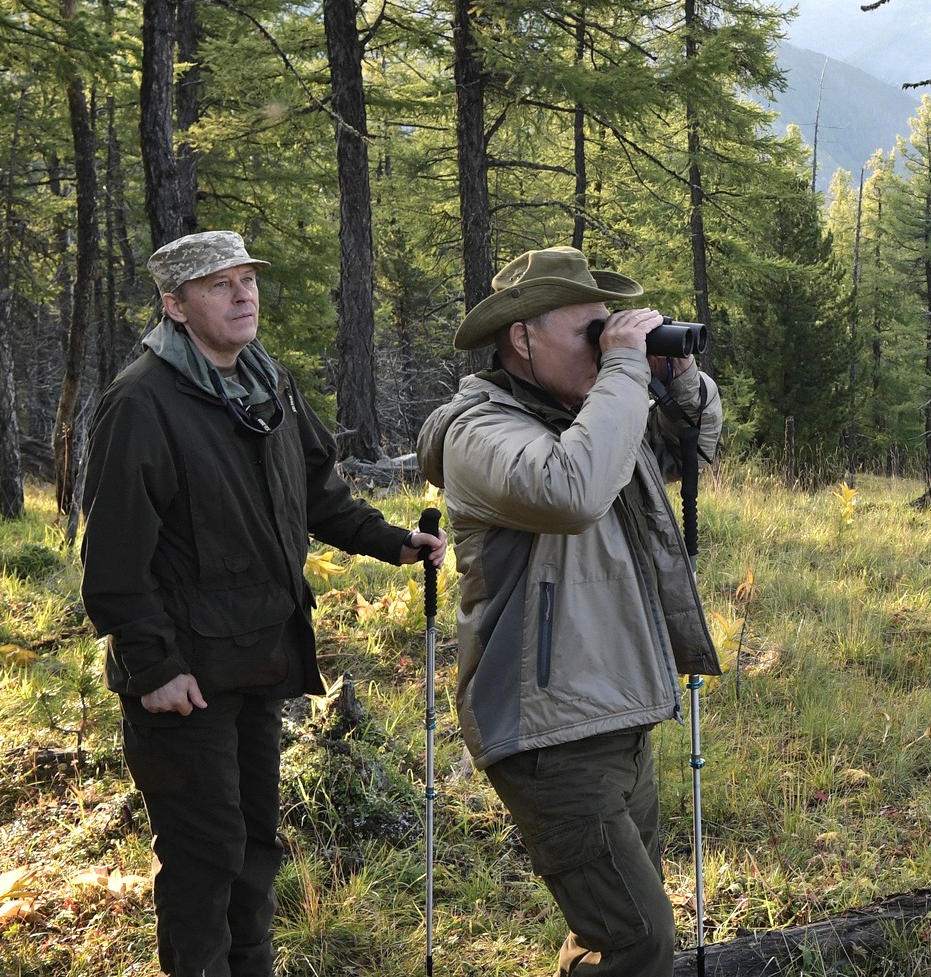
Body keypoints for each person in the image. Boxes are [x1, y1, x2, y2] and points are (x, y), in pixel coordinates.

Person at [79, 230, 445, 977]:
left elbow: (318, 492)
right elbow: (112, 563)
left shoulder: (265, 381)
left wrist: (391, 542)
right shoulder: (141, 402)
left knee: (253, 844)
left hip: (260, 656)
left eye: (247, 279)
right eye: (220, 285)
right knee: (202, 854)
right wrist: (153, 669)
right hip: (185, 680)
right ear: (175, 305)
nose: (243, 295)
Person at [417, 246, 722, 977]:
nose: (608, 344)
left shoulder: (588, 415)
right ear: (522, 337)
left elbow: (686, 457)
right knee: (638, 940)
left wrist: (676, 382)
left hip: (615, 710)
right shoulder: (478, 433)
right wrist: (621, 372)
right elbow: (572, 492)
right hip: (547, 727)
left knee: (604, 935)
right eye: (591, 332)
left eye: (610, 330)